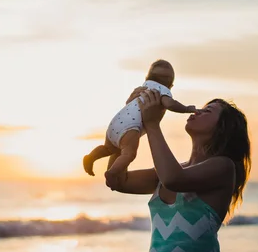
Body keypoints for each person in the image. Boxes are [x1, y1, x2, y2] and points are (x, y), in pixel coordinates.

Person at [105, 88, 251, 252]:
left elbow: (174, 179)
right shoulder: (173, 168)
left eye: (209, 111)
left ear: (223, 129)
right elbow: (117, 180)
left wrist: (152, 123)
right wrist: (133, 123)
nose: (198, 111)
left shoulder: (223, 167)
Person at [83, 59, 196, 188]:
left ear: (147, 77)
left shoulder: (144, 87)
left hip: (115, 122)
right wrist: (186, 108)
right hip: (129, 127)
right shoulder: (163, 91)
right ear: (171, 86)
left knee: (108, 148)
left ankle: (90, 157)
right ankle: (112, 172)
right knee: (128, 153)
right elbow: (171, 104)